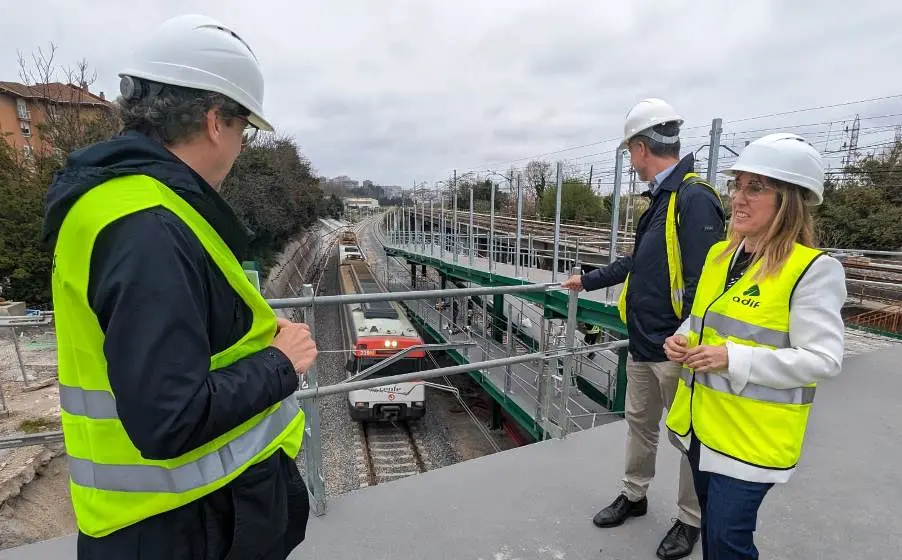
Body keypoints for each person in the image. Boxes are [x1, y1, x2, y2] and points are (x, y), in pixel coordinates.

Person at [42, 15, 318, 559]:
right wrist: (280, 362)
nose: (241, 147)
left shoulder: (123, 204)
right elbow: (169, 417)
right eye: (244, 130)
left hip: (180, 522)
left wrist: (253, 336)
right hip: (183, 527)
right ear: (216, 121)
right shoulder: (148, 226)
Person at [664, 133, 846, 559]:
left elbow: (823, 360)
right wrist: (682, 336)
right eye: (737, 185)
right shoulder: (719, 256)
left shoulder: (812, 271)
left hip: (751, 442)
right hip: (703, 428)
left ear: (790, 200)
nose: (738, 198)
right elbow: (704, 319)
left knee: (729, 541)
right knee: (712, 530)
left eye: (756, 187)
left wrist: (732, 358)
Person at [562, 98, 725, 560]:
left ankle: (691, 520)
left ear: (639, 148)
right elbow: (642, 263)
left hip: (675, 350)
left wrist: (688, 336)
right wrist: (589, 280)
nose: (630, 163)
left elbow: (705, 282)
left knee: (688, 438)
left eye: (629, 153)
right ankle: (634, 496)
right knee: (640, 425)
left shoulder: (694, 199)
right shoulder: (660, 202)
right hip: (643, 344)